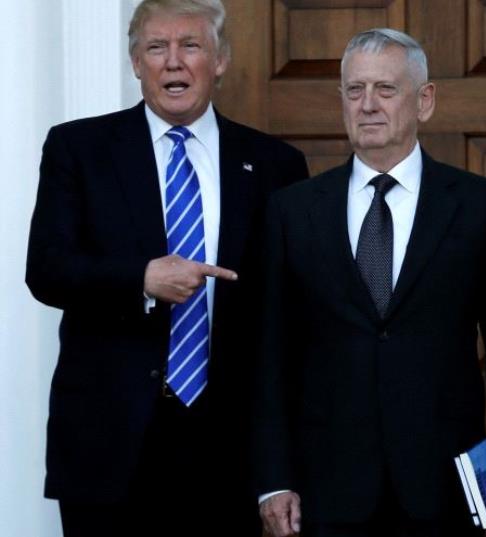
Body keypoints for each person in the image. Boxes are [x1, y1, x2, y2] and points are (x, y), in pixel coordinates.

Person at [25, 1, 308, 535]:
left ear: (220, 60)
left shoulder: (276, 164)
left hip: (229, 447)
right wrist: (141, 279)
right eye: (156, 48)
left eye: (190, 46)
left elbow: (287, 315)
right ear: (136, 63)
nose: (173, 62)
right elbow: (47, 269)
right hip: (110, 443)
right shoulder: (78, 148)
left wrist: (283, 461)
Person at [253, 28, 486, 537]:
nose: (368, 105)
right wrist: (273, 479)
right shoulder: (292, 211)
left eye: (386, 89)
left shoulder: (481, 207)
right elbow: (272, 354)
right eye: (355, 90)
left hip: (443, 485)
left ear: (424, 101)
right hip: (325, 489)